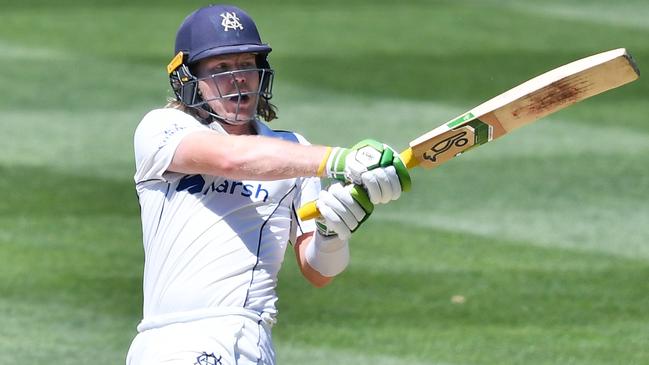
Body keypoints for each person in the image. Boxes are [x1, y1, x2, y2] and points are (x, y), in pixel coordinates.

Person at [126, 4, 411, 365]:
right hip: (169, 341)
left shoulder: (295, 151)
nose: (238, 78)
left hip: (249, 338)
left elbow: (319, 272)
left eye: (247, 65)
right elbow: (233, 158)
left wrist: (331, 234)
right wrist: (341, 160)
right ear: (189, 80)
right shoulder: (162, 129)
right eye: (221, 68)